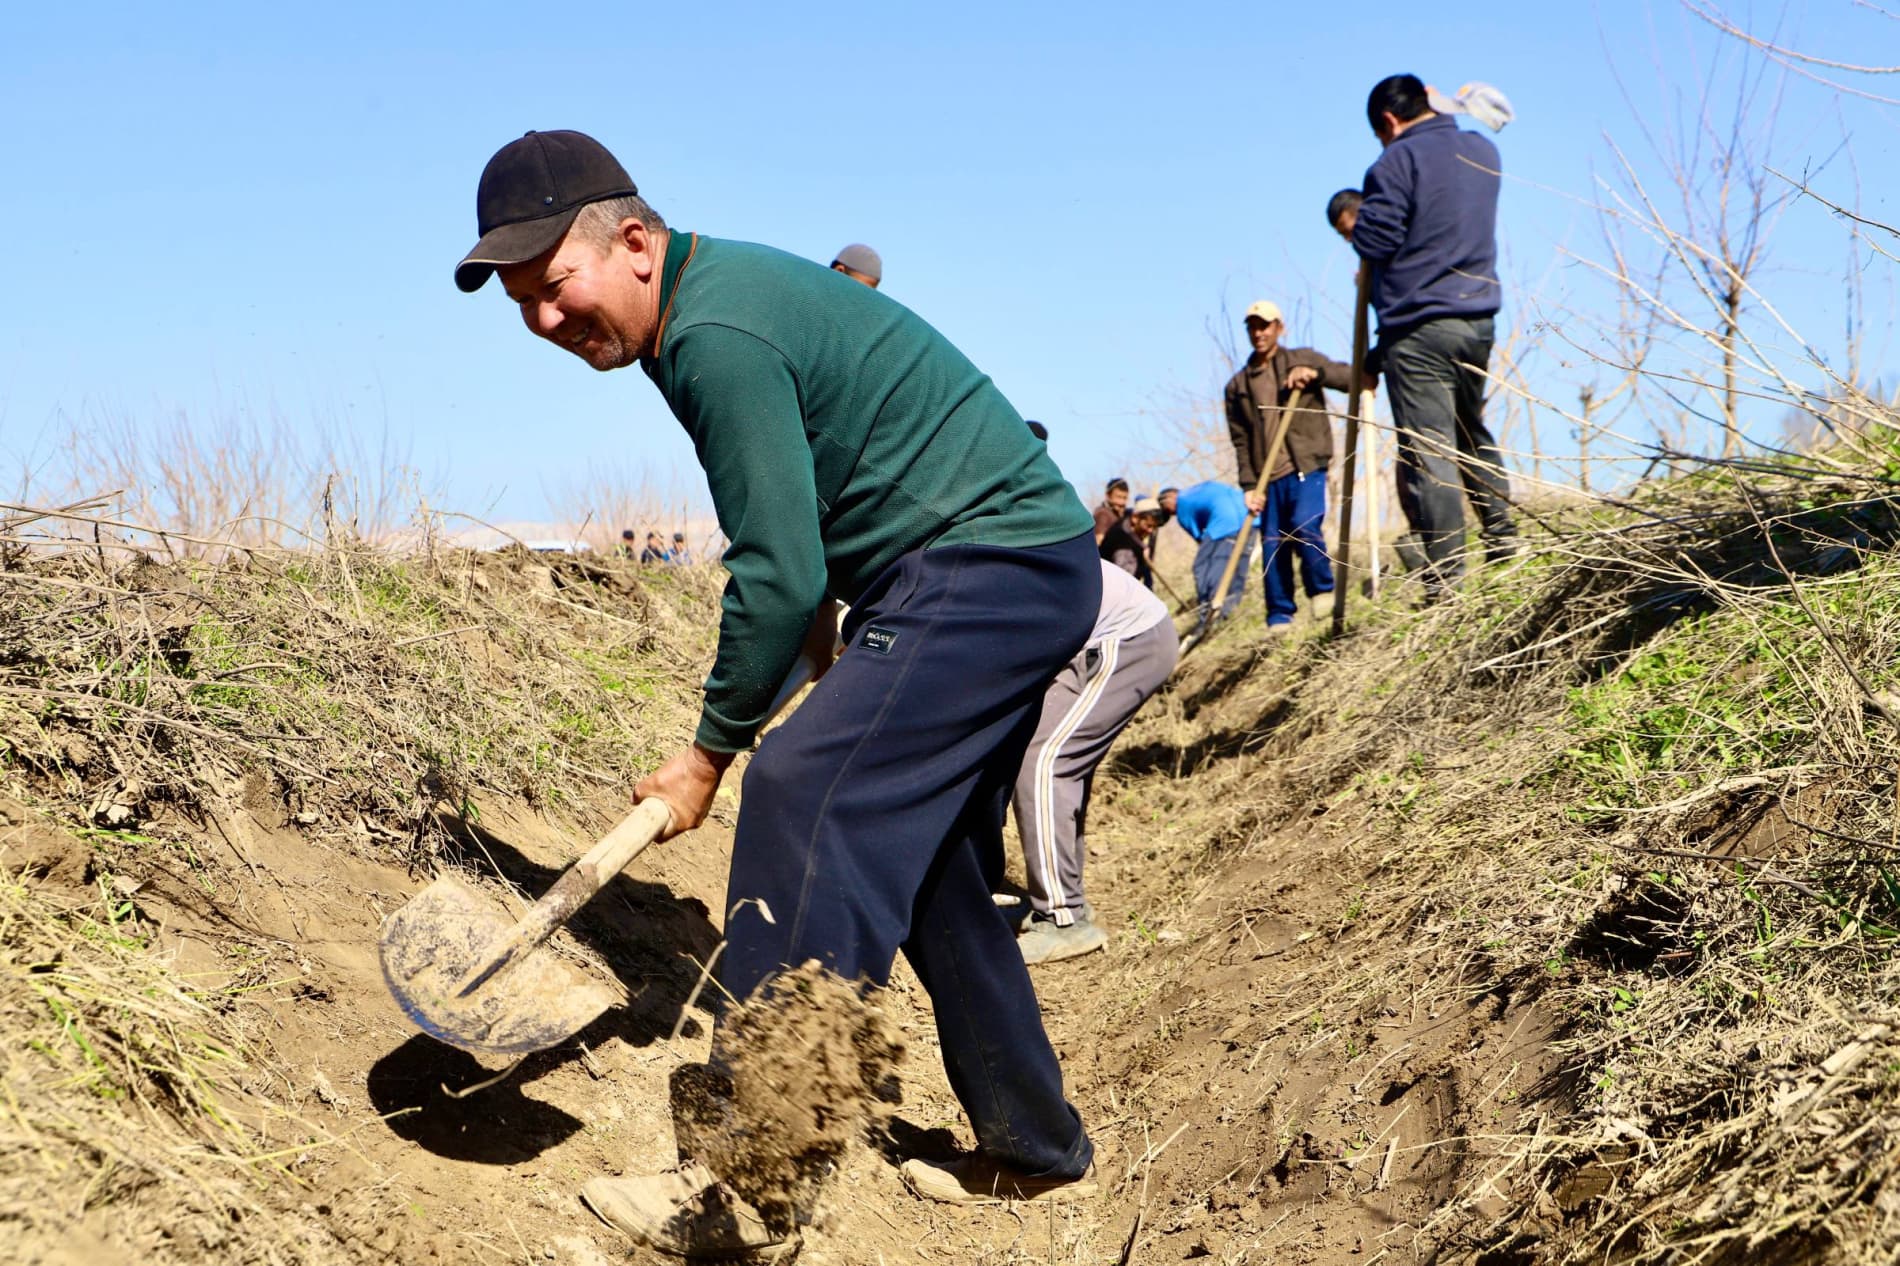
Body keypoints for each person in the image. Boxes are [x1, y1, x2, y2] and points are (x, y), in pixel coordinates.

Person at [455, 129, 1100, 1255]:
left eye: (555, 287)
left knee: (802, 789)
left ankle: (743, 1186)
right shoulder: (702, 312)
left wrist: (711, 749)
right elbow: (800, 532)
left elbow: (777, 566)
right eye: (521, 305)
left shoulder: (715, 333)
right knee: (934, 863)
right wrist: (826, 661)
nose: (545, 324)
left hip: (985, 565)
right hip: (990, 566)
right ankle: (1033, 1147)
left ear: (636, 243)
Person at [1352, 74, 1518, 601]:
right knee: (1471, 430)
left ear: (1388, 122)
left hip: (1419, 327)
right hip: (1478, 318)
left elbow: (1377, 236)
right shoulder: (1482, 151)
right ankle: (1503, 541)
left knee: (1430, 451)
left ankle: (1447, 583)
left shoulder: (1395, 161)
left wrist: (1364, 246)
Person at [1012, 559, 1177, 963]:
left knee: (1046, 761)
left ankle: (1063, 920)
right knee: (1041, 755)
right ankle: (1067, 899)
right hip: (1082, 638)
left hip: (1126, 637)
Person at [1223, 300, 1352, 631]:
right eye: (1252, 326)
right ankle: (1279, 616)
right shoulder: (1237, 387)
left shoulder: (1300, 358)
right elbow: (1240, 441)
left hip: (1306, 464)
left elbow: (1350, 377)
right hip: (1267, 479)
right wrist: (1249, 486)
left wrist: (1315, 374)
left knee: (1304, 525)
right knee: (1271, 546)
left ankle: (1323, 593)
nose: (1258, 333)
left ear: (1279, 327)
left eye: (1264, 325)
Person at [1326, 189, 1430, 579]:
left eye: (1348, 231)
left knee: (1426, 452)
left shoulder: (1398, 244)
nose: (1351, 242)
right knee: (1409, 458)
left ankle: (1449, 542)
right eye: (1344, 237)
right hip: (1397, 353)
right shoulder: (1374, 263)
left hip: (1424, 352)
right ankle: (1425, 541)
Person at [1159, 482, 1249, 619]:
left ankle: (1207, 610)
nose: (1169, 513)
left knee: (1202, 567)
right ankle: (1233, 607)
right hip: (1249, 516)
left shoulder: (1181, 505)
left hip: (1223, 524)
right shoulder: (1197, 489)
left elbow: (1199, 538)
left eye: (1165, 507)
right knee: (1238, 564)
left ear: (1171, 497)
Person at [1099, 496, 1159, 588]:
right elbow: (1122, 585)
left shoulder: (1126, 522)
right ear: (1135, 518)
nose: (1151, 531)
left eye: (1154, 527)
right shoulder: (1124, 547)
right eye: (1148, 526)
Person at [1092, 477, 1129, 545]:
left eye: (1125, 498)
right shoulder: (1103, 514)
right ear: (1108, 496)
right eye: (1118, 497)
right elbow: (1099, 543)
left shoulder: (1120, 515)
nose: (1121, 502)